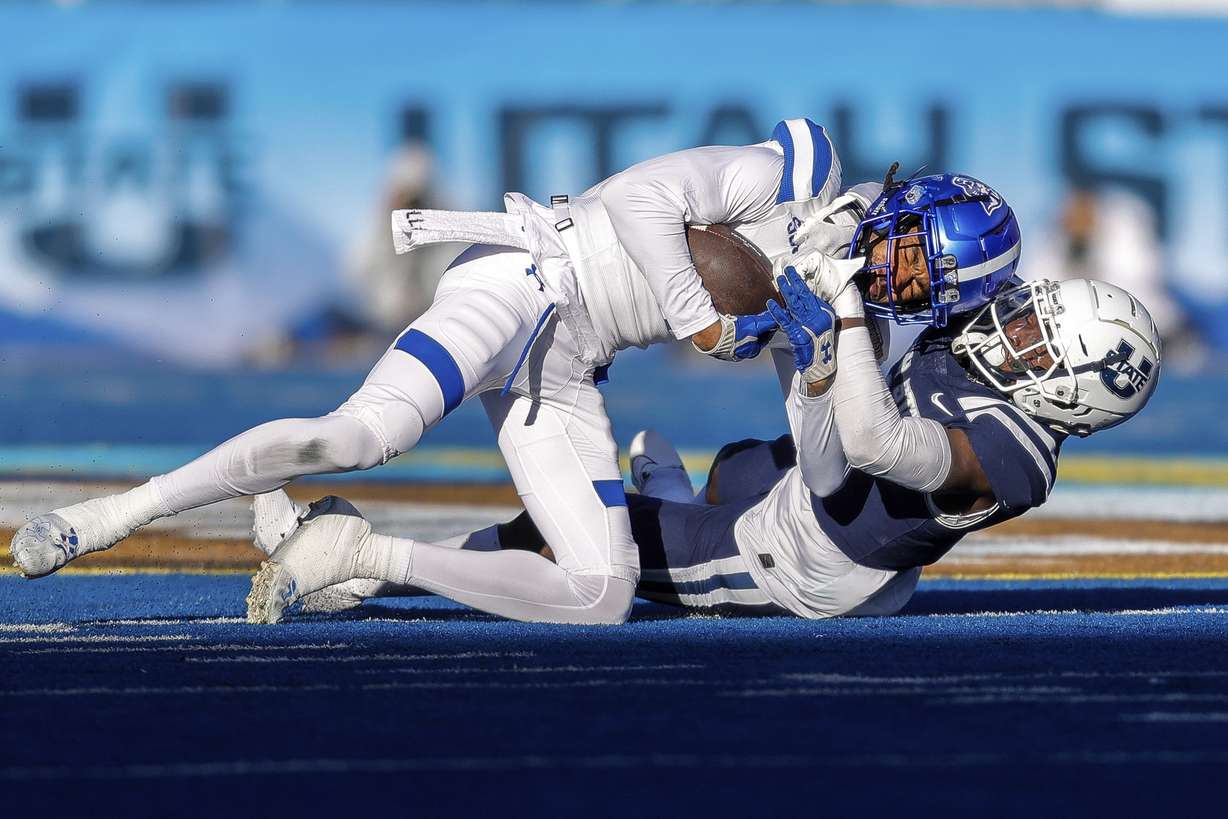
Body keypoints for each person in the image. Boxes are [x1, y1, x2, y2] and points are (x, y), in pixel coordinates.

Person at [10, 118, 845, 625]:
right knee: (361, 434)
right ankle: (111, 513)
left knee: (600, 593)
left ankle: (363, 554)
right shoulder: (789, 178)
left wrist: (818, 373)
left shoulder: (830, 292)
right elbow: (637, 201)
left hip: (568, 363)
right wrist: (700, 318)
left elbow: (818, 452)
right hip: (522, 285)